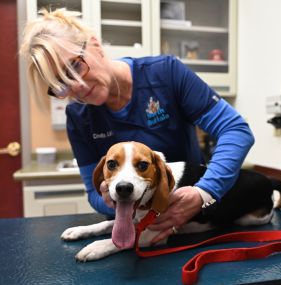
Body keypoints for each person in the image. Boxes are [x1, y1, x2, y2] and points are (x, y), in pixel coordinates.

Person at [20, 9, 254, 244]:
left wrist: (204, 193)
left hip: (193, 221)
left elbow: (235, 130)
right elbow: (94, 193)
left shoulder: (166, 73)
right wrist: (115, 199)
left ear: (95, 45)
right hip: (133, 232)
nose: (77, 87)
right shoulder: (78, 115)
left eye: (76, 66)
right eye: (61, 83)